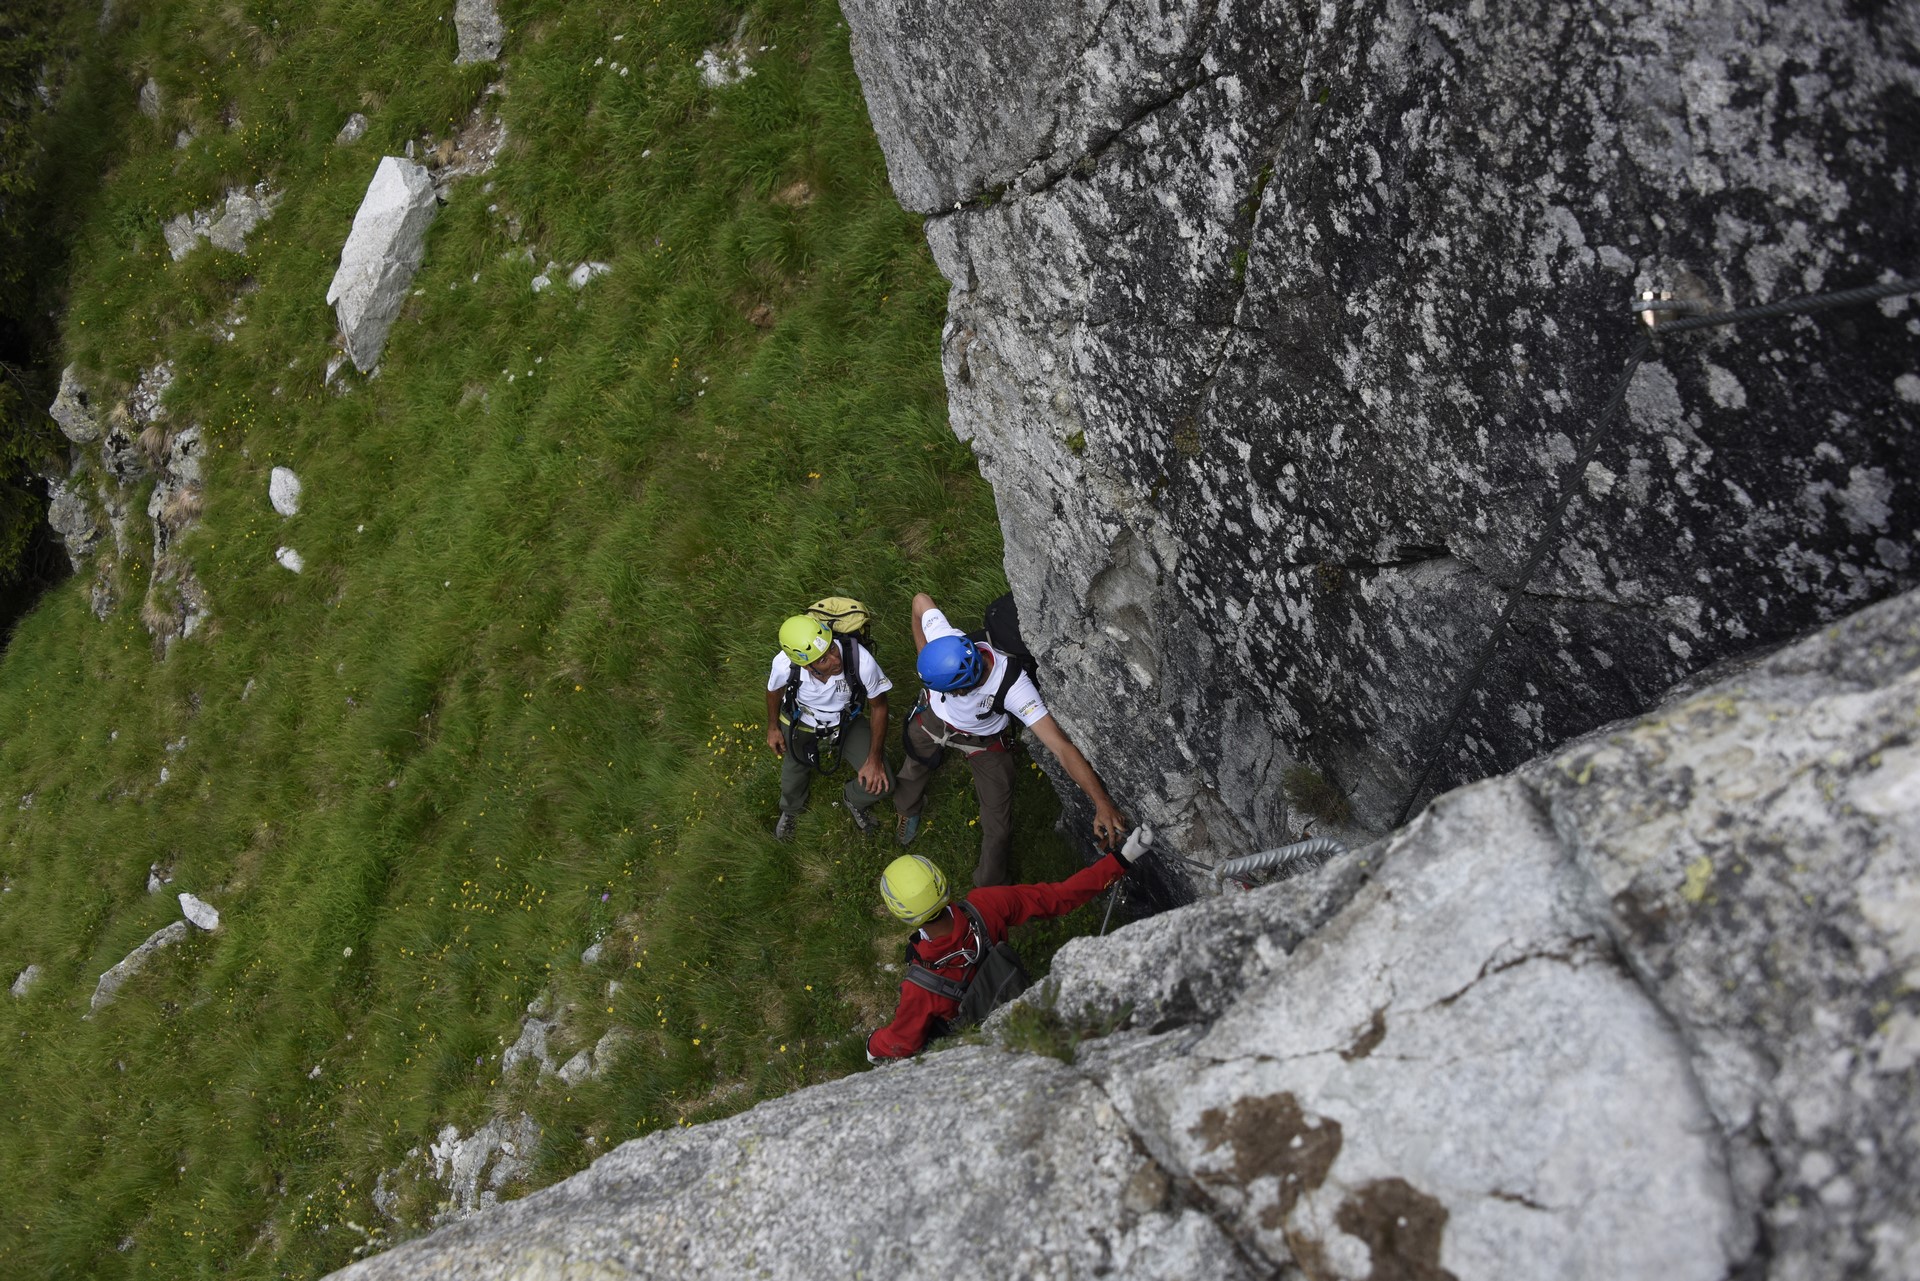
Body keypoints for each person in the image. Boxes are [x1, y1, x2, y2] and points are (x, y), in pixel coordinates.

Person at [893, 591, 1126, 885]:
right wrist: (926, 657)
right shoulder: (947, 641)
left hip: (984, 741)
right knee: (915, 761)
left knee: (997, 825)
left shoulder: (1014, 689)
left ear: (961, 689)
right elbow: (919, 601)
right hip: (936, 717)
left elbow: (1061, 747)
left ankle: (988, 890)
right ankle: (906, 808)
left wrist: (1101, 802)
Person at [865, 831, 1147, 1061]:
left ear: (901, 914)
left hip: (983, 1037)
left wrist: (872, 1045)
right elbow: (1058, 897)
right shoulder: (986, 905)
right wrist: (1122, 859)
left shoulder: (921, 987)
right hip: (1017, 992)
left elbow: (902, 1044)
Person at [765, 614, 893, 841]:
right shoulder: (785, 665)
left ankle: (853, 798)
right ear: (805, 664)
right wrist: (773, 727)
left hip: (846, 722)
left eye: (833, 648)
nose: (836, 660)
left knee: (885, 783)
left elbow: (879, 707)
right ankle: (791, 809)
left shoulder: (860, 661)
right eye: (823, 660)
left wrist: (874, 759)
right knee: (793, 769)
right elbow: (774, 690)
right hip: (802, 721)